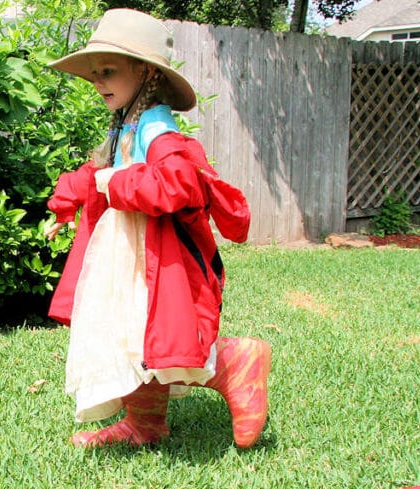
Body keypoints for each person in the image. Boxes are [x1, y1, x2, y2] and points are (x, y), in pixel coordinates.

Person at [43, 9, 271, 449]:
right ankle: (145, 424)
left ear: (145, 72)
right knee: (127, 333)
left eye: (108, 71)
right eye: (94, 74)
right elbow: (97, 170)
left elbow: (179, 182)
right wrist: (65, 203)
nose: (98, 81)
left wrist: (117, 184)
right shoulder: (126, 122)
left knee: (156, 333)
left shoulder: (156, 126)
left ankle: (234, 362)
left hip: (153, 252)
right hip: (126, 247)